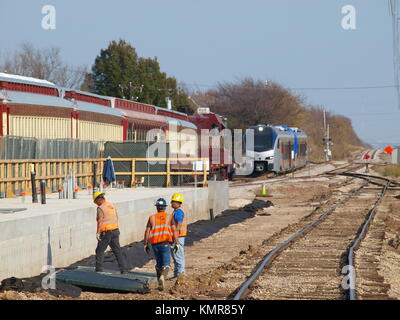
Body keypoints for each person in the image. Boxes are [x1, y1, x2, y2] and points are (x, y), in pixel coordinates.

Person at [144, 198, 178, 291]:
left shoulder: (151, 217)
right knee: (166, 265)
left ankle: (160, 285)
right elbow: (174, 230)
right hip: (165, 243)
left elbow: (147, 231)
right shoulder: (169, 217)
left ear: (157, 208)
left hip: (155, 244)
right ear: (165, 207)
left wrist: (145, 244)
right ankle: (162, 277)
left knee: (158, 265)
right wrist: (177, 243)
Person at [93, 191, 128, 274]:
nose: (96, 204)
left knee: (100, 250)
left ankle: (99, 270)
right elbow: (116, 217)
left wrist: (98, 232)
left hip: (106, 232)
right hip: (115, 230)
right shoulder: (111, 205)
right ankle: (123, 270)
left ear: (99, 199)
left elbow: (100, 220)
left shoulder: (101, 208)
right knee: (117, 251)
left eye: (95, 201)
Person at [170, 193, 187, 279]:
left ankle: (180, 275)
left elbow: (178, 226)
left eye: (173, 201)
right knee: (177, 256)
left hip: (178, 237)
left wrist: (175, 238)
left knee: (178, 256)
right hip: (179, 236)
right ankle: (177, 275)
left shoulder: (179, 212)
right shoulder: (177, 211)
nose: (171, 203)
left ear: (177, 202)